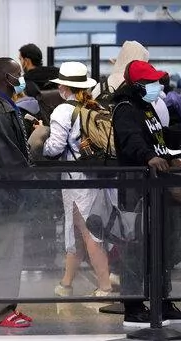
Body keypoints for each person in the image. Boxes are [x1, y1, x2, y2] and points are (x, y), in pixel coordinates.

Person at [112, 60, 181, 327]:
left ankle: (161, 300)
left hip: (157, 191)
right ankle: (133, 305)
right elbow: (132, 141)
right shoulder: (126, 109)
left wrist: (166, 150)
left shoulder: (147, 108)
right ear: (137, 86)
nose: (156, 86)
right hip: (137, 191)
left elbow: (160, 137)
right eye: (151, 82)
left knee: (162, 246)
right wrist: (150, 156)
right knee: (135, 248)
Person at [41, 62, 113, 297]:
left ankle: (104, 286)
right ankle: (66, 283)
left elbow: (54, 148)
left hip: (75, 180)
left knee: (86, 231)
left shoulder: (62, 111)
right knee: (77, 229)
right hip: (92, 176)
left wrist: (42, 140)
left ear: (63, 86)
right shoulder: (90, 105)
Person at [0, 57, 32, 328]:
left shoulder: (8, 107)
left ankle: (8, 307)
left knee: (13, 254)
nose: (20, 77)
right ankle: (0, 312)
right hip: (2, 197)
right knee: (4, 254)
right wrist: (30, 175)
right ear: (5, 78)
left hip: (10, 197)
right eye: (17, 74)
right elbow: (7, 159)